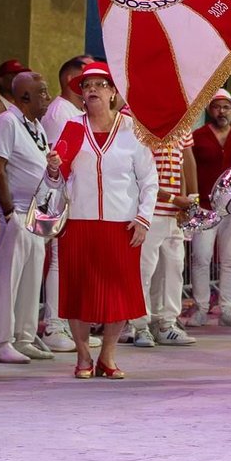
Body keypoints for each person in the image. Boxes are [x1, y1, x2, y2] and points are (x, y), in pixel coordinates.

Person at [46, 62, 158, 379]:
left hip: (121, 223)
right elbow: (56, 180)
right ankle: (83, 357)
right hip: (78, 222)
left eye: (99, 84)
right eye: (86, 85)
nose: (92, 90)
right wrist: (54, 168)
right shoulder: (72, 128)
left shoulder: (132, 131)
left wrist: (143, 218)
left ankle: (107, 356)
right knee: (78, 291)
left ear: (112, 92)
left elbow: (149, 180)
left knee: (119, 293)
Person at [0, 71, 56, 364]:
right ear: (24, 96)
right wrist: (9, 210)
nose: (47, 98)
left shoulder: (36, 126)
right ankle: (0, 341)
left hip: (36, 213)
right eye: (42, 92)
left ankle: (24, 337)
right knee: (8, 277)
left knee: (31, 276)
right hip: (16, 211)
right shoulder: (7, 122)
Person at [40, 54, 95, 352]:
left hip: (72, 196)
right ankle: (53, 326)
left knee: (69, 263)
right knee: (60, 262)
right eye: (89, 80)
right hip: (61, 195)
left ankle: (67, 324)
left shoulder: (71, 112)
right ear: (72, 80)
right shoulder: (61, 113)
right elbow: (64, 160)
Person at [188, 88, 231, 327]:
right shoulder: (197, 136)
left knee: (229, 260)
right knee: (201, 258)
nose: (222, 111)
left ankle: (227, 308)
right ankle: (201, 308)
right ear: (209, 110)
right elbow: (189, 167)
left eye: (226, 107)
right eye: (217, 107)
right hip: (205, 208)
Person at [128, 134, 199, 348]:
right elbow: (139, 179)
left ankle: (166, 325)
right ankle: (140, 327)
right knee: (144, 271)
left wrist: (186, 202)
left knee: (173, 270)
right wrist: (173, 199)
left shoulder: (181, 128)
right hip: (149, 213)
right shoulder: (140, 130)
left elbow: (182, 167)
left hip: (173, 215)